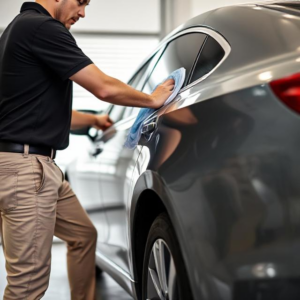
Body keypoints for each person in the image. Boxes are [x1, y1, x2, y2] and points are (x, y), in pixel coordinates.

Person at [0, 0, 174, 299]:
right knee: (27, 285)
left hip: (30, 165)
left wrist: (93, 119)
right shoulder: (43, 28)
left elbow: (32, 109)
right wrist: (152, 98)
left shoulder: (17, 30)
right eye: (81, 2)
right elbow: (103, 87)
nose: (82, 12)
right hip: (27, 169)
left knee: (83, 236)